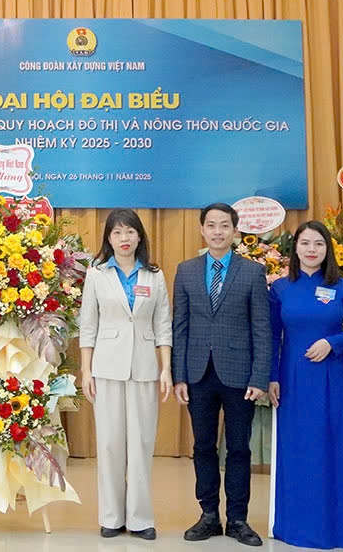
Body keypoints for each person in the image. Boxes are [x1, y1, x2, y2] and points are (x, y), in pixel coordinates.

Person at [172, 203, 270, 547]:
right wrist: (179, 376)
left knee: (239, 449)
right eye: (211, 225)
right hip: (198, 374)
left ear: (235, 231)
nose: (217, 231)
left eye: (224, 226)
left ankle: (238, 520)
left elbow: (262, 327)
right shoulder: (185, 271)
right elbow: (180, 326)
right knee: (202, 447)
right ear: (202, 229)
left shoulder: (253, 272)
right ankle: (209, 516)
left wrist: (260, 376)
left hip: (240, 375)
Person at [268, 220, 343, 549]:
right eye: (305, 243)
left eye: (319, 244)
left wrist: (333, 343)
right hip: (292, 380)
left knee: (331, 447)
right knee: (297, 450)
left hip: (331, 379)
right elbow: (272, 336)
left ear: (328, 249)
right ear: (295, 248)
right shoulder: (281, 288)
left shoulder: (342, 287)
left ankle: (334, 530)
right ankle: (293, 526)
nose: (312, 249)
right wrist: (272, 377)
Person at [79, 209, 172, 541]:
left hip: (145, 368)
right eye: (117, 232)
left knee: (142, 444)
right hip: (106, 367)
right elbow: (88, 324)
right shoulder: (96, 274)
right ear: (108, 238)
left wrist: (166, 369)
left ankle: (140, 518)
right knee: (109, 443)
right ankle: (111, 516)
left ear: (139, 236)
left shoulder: (154, 275)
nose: (124, 238)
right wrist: (86, 370)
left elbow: (163, 325)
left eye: (130, 232)